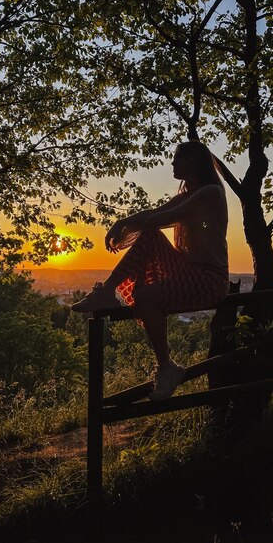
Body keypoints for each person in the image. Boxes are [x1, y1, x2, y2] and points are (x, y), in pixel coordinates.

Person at [72, 140, 229, 400]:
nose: (172, 163)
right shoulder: (191, 195)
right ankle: (107, 291)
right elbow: (155, 213)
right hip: (188, 269)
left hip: (208, 279)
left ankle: (167, 368)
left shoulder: (209, 193)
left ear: (192, 162)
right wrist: (122, 222)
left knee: (145, 294)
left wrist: (123, 226)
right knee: (150, 239)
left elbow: (159, 219)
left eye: (177, 159)